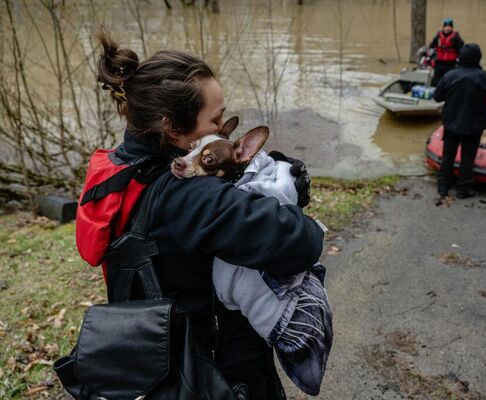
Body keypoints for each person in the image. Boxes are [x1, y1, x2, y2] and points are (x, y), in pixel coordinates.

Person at [77, 30, 323, 399]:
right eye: (216, 119)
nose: (220, 130)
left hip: (150, 357)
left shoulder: (123, 168)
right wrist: (287, 192)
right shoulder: (189, 196)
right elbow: (304, 241)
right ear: (173, 128)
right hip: (214, 373)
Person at [433, 44, 486, 199]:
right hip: (474, 124)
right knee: (468, 157)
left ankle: (443, 188)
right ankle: (463, 189)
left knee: (448, 156)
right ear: (478, 58)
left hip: (452, 123)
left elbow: (437, 96)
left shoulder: (450, 75)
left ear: (460, 57)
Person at [428, 18, 464, 86]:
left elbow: (461, 50)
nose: (447, 28)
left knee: (449, 81)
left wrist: (459, 61)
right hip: (439, 63)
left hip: (451, 64)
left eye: (449, 27)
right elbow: (431, 47)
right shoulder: (438, 36)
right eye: (446, 26)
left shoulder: (456, 37)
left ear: (452, 27)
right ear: (443, 27)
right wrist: (431, 61)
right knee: (437, 81)